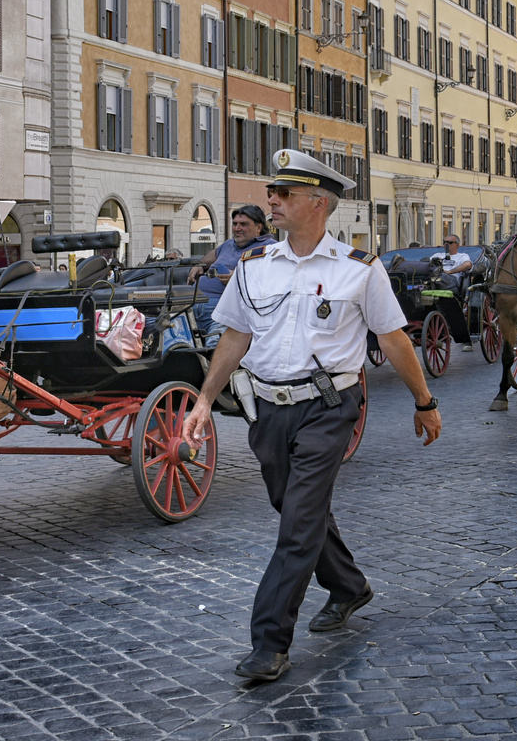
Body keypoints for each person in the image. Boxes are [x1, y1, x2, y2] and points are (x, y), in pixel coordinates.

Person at [180, 150, 442, 683]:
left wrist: (425, 401)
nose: (271, 200)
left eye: (284, 194)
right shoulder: (253, 268)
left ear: (318, 203)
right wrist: (205, 399)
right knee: (294, 507)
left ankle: (268, 644)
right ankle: (349, 586)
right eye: (272, 192)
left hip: (328, 408)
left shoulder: (359, 270)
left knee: (297, 526)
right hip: (268, 412)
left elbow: (392, 339)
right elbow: (234, 336)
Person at [186, 205, 274, 339]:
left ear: (258, 227)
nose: (237, 228)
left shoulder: (270, 247)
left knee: (215, 346)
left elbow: (272, 281)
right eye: (235, 224)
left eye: (243, 224)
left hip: (223, 307)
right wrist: (200, 264)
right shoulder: (229, 244)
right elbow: (214, 254)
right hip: (190, 303)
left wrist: (238, 278)